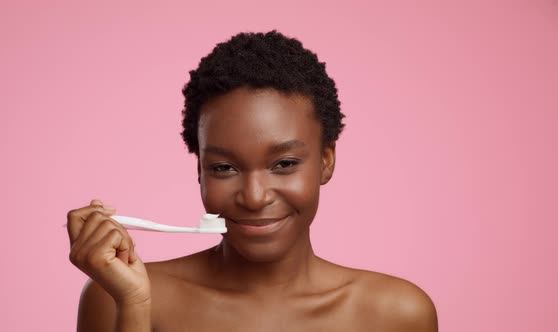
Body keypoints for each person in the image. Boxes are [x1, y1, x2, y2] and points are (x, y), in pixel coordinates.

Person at [66, 30, 438, 331]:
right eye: (224, 168)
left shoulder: (397, 314)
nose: (255, 197)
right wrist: (134, 305)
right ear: (199, 170)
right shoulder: (116, 295)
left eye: (284, 163)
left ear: (326, 160)